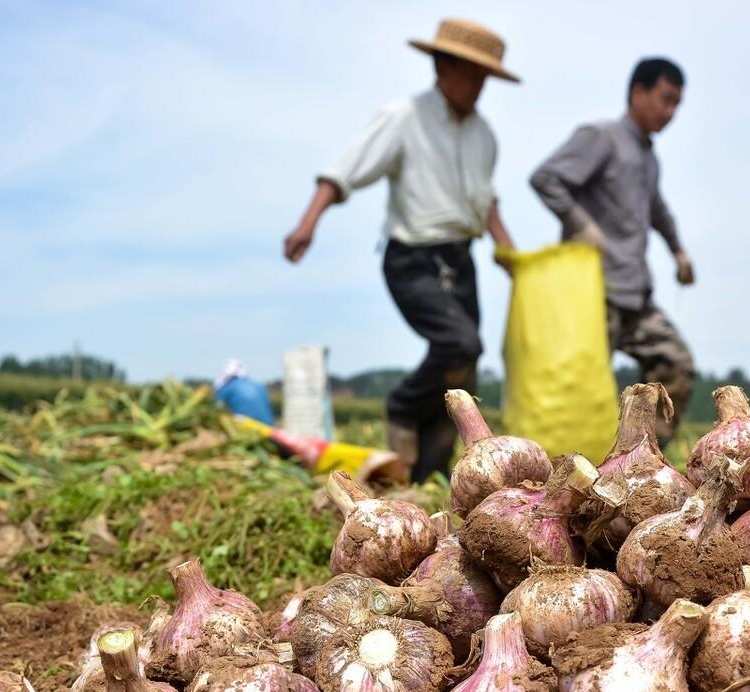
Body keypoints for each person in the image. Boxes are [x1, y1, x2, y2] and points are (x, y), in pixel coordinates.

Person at [284, 19, 518, 483]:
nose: (479, 87)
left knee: (463, 377)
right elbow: (345, 169)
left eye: (485, 78)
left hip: (459, 260)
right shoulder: (404, 117)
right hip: (412, 257)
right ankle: (402, 404)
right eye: (472, 74)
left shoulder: (484, 135)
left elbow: (485, 198)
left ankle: (424, 483)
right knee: (460, 344)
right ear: (442, 65)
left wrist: (505, 245)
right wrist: (309, 222)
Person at [530, 58, 695, 445]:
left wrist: (679, 252)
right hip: (592, 293)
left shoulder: (649, 158)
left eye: (677, 105)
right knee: (581, 391)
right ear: (638, 92)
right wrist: (580, 224)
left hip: (634, 292)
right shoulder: (600, 137)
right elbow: (546, 178)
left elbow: (657, 209)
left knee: (677, 367)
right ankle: (564, 475)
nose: (670, 112)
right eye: (665, 99)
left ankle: (641, 462)